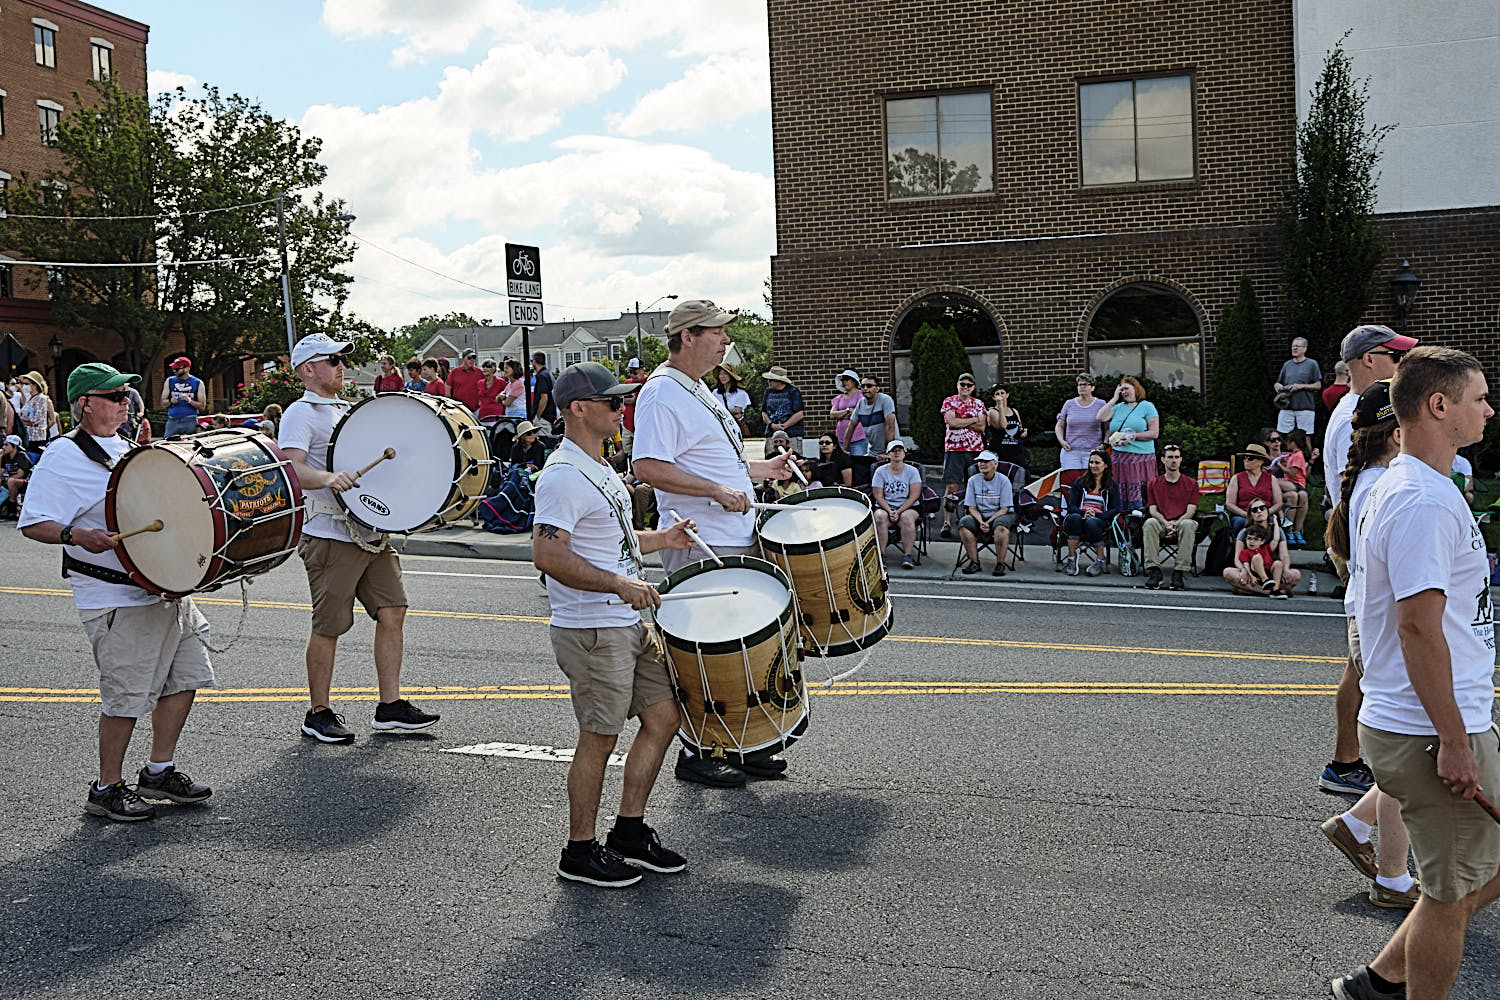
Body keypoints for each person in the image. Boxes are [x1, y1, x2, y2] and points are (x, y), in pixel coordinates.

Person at [1331, 346, 1500, 1000]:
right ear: (1439, 405)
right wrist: (1454, 740)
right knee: (1449, 896)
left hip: (1428, 722)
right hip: (1428, 733)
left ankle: (1378, 982)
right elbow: (1417, 627)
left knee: (1458, 883)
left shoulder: (1423, 486)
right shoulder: (1422, 502)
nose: (1488, 408)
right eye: (1479, 397)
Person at [19, 363, 215, 822]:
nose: (124, 400)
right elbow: (32, 523)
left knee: (185, 678)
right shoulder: (64, 455)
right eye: (113, 395)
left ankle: (158, 771)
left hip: (161, 589)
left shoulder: (128, 447)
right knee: (125, 697)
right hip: (114, 598)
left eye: (126, 393)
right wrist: (75, 535)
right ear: (85, 403)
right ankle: (106, 788)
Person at [531, 361, 700, 888]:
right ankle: (579, 851)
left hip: (625, 621)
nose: (620, 408)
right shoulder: (561, 476)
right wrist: (619, 585)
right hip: (592, 628)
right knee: (599, 740)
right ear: (579, 409)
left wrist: (662, 540)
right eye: (612, 401)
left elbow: (615, 542)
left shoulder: (602, 470)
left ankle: (628, 832)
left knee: (664, 719)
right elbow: (547, 555)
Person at [631, 298, 794, 788]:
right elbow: (648, 467)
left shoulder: (699, 389)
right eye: (718, 332)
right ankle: (695, 750)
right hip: (698, 542)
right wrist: (715, 492)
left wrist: (763, 470)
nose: (726, 340)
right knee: (701, 651)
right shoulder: (661, 393)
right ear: (688, 336)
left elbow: (713, 461)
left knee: (736, 650)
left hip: (731, 538)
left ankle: (738, 744)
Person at [279, 333, 439, 744]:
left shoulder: (344, 410)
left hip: (368, 531)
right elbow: (291, 469)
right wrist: (329, 478)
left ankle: (389, 708)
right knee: (329, 625)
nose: (341, 366)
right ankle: (318, 713)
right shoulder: (301, 414)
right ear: (308, 369)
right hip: (330, 533)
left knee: (393, 610)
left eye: (340, 360)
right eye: (332, 360)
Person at [1318, 379, 1419, 912]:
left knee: (1411, 756)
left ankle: (1358, 826)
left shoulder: (1368, 481)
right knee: (1408, 754)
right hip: (1379, 622)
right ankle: (1393, 876)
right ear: (1395, 430)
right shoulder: (1383, 485)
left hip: (1367, 616)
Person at [1321, 324, 1416, 796]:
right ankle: (1355, 764)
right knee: (1371, 663)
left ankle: (1350, 763)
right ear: (1368, 361)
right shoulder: (1354, 419)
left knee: (1362, 663)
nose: (1402, 365)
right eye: (1394, 357)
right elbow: (1355, 492)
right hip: (1362, 547)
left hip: (1360, 544)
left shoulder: (1359, 409)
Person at [1142, 443, 1199, 590]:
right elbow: (1153, 509)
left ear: (1181, 460)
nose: (1173, 460)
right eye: (1170, 457)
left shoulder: (1191, 483)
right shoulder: (1153, 483)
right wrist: (1166, 523)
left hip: (1182, 523)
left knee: (1188, 524)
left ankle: (1179, 572)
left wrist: (1176, 524)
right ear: (1163, 460)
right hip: (1162, 523)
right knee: (1149, 522)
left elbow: (1191, 511)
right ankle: (1154, 571)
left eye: (1176, 457)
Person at [1097, 375, 1158, 511]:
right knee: (1121, 492)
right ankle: (1123, 520)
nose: (1124, 392)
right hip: (1119, 458)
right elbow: (1100, 417)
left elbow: (1154, 433)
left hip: (1141, 458)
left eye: (1126, 388)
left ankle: (1141, 519)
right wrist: (1114, 398)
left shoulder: (1147, 406)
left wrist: (1131, 437)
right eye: (1121, 389)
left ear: (1136, 388)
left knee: (1139, 493)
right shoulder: (1118, 407)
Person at [938, 373, 986, 538]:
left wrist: (962, 420)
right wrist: (973, 419)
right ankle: (947, 522)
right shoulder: (949, 401)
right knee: (952, 487)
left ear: (973, 387)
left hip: (975, 450)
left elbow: (982, 427)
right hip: (954, 449)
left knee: (974, 486)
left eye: (969, 385)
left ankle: (972, 520)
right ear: (957, 385)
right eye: (962, 384)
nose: (965, 387)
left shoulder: (979, 403)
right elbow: (952, 423)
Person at [1221, 499, 1301, 596]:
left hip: (1272, 571)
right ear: (1251, 515)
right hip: (1252, 572)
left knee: (1296, 575)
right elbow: (1237, 558)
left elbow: (1284, 555)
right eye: (1254, 510)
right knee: (1228, 572)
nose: (1259, 511)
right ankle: (1270, 592)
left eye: (1262, 508)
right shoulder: (1245, 532)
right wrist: (1244, 570)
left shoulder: (1277, 530)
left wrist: (1286, 569)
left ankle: (1248, 590)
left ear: (1267, 511)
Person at [1062, 450, 1121, 576]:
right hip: (1080, 515)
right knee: (1074, 518)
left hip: (1099, 519)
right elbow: (1071, 505)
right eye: (1091, 462)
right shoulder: (1080, 482)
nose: (1093, 465)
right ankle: (1071, 558)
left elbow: (1116, 508)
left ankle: (1100, 560)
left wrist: (1097, 515)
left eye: (1097, 463)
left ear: (1105, 465)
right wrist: (1083, 512)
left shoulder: (1112, 486)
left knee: (1092, 523)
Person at [959, 450, 1014, 577]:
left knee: (1001, 527)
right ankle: (974, 562)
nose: (982, 464)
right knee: (964, 524)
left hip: (1000, 514)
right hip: (979, 515)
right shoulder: (973, 480)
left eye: (985, 461)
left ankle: (1000, 564)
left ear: (995, 464)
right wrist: (981, 522)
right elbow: (971, 507)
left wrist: (988, 522)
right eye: (980, 461)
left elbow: (1005, 508)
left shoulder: (1004, 481)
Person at [871, 441, 923, 569]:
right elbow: (878, 495)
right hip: (885, 507)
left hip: (908, 507)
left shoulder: (913, 471)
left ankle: (908, 556)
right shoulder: (880, 471)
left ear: (904, 453)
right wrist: (889, 511)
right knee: (879, 517)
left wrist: (898, 511)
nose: (897, 452)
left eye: (900, 450)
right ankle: (881, 555)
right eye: (893, 450)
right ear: (888, 454)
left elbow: (914, 496)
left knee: (907, 518)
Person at [1055, 373, 1105, 488]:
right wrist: (1062, 441)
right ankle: (1070, 506)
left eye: (1085, 385)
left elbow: (1107, 427)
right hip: (1071, 451)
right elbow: (1060, 425)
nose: (1081, 387)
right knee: (1071, 483)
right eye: (1079, 385)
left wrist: (1105, 443)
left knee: (1092, 483)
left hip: (1092, 452)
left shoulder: (1101, 404)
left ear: (1092, 387)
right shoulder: (1069, 404)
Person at [1224, 443, 1280, 533]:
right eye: (1245, 457)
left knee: (1272, 524)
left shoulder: (1271, 479)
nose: (1246, 460)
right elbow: (1229, 504)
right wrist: (1247, 515)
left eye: (1250, 458)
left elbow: (1278, 503)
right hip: (1242, 515)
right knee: (1239, 522)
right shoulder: (1236, 478)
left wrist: (1265, 513)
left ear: (1261, 461)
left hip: (1265, 514)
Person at [1273, 336, 1322, 433]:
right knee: (1283, 434)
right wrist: (1277, 385)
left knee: (1306, 436)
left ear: (1305, 348)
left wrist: (1300, 386)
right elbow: (1278, 382)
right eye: (1292, 346)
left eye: (1297, 346)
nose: (1294, 348)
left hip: (1305, 407)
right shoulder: (1287, 365)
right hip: (1286, 406)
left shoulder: (1312, 364)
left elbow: (1318, 385)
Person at [1279, 428, 1316, 545]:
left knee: (1272, 481)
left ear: (1293, 442)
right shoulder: (1295, 455)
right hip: (1297, 486)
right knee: (1295, 495)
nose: (1286, 444)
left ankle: (1289, 528)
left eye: (1288, 442)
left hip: (1296, 484)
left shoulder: (1298, 456)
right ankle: (1294, 532)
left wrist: (1279, 465)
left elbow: (1292, 473)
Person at [760, 365, 805, 458]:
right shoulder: (768, 392)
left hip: (792, 434)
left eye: (771, 380)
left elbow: (800, 414)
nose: (769, 382)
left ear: (779, 381)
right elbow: (764, 412)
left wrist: (784, 426)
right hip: (772, 435)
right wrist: (771, 425)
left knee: (794, 462)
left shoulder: (793, 391)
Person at [849, 375, 897, 456]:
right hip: (873, 451)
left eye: (869, 386)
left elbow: (890, 426)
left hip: (892, 451)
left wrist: (889, 452)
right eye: (862, 386)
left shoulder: (885, 400)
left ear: (877, 388)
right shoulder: (861, 403)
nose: (865, 388)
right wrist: (845, 450)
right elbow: (851, 426)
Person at [985, 384, 1027, 473]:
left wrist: (1023, 433)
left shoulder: (1014, 411)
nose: (1000, 395)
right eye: (997, 394)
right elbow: (1003, 425)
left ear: (1007, 395)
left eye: (1002, 393)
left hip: (1016, 451)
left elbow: (1019, 428)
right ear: (993, 398)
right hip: (1001, 452)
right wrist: (1000, 407)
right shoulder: (992, 412)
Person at [159, 357, 205, 438]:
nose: (174, 371)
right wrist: (171, 401)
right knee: (167, 444)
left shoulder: (198, 383)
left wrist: (189, 400)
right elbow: (163, 403)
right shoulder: (170, 380)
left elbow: (202, 407)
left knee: (192, 444)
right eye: (173, 368)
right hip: (173, 419)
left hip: (190, 419)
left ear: (187, 369)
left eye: (177, 369)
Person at [830, 370, 867, 456]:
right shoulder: (839, 398)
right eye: (843, 380)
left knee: (859, 464)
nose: (844, 382)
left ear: (854, 380)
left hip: (858, 438)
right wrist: (847, 410)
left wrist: (840, 415)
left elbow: (859, 413)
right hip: (841, 438)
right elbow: (832, 414)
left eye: (847, 379)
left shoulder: (861, 395)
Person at [710, 362, 749, 439]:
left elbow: (737, 410)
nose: (722, 376)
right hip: (719, 427)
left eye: (724, 374)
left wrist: (720, 412)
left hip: (734, 427)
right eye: (720, 374)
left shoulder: (741, 393)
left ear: (730, 376)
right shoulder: (715, 393)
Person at [20, 371, 58, 447]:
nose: (23, 386)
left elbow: (36, 420)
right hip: (27, 437)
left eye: (26, 384)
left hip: (37, 438)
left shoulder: (41, 398)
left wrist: (21, 420)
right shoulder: (28, 398)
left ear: (35, 385)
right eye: (23, 383)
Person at [623, 358, 654, 452]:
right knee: (626, 451)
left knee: (641, 453)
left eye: (634, 372)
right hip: (627, 424)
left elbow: (637, 400)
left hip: (643, 425)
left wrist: (634, 400)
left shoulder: (649, 382)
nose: (632, 375)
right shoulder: (627, 383)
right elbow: (622, 399)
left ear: (642, 370)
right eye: (630, 372)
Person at [1, 433, 33, 518]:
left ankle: (12, 509)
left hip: (26, 482)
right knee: (9, 481)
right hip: (11, 481)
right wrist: (0, 457)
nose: (3, 447)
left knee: (11, 481)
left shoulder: (21, 455)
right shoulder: (5, 457)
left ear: (14, 446)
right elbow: (1, 472)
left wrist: (5, 480)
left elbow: (20, 474)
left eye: (6, 445)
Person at [529, 352, 557, 434]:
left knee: (543, 440)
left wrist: (538, 416)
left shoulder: (541, 376)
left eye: (531, 360)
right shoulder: (548, 373)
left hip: (544, 417)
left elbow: (544, 397)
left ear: (534, 361)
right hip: (550, 415)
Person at [476, 359, 506, 427]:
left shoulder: (501, 382)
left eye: (488, 366)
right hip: (483, 416)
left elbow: (505, 398)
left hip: (496, 416)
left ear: (493, 369)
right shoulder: (479, 383)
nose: (485, 368)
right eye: (483, 366)